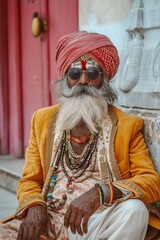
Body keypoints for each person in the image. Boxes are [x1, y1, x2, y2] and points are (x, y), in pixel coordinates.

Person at [0, 31, 160, 240]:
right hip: (49, 221)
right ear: (66, 78)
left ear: (103, 79)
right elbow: (30, 179)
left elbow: (151, 181)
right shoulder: (42, 120)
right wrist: (34, 206)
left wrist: (100, 193)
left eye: (93, 73)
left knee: (135, 210)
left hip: (96, 222)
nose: (83, 81)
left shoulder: (126, 125)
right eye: (75, 74)